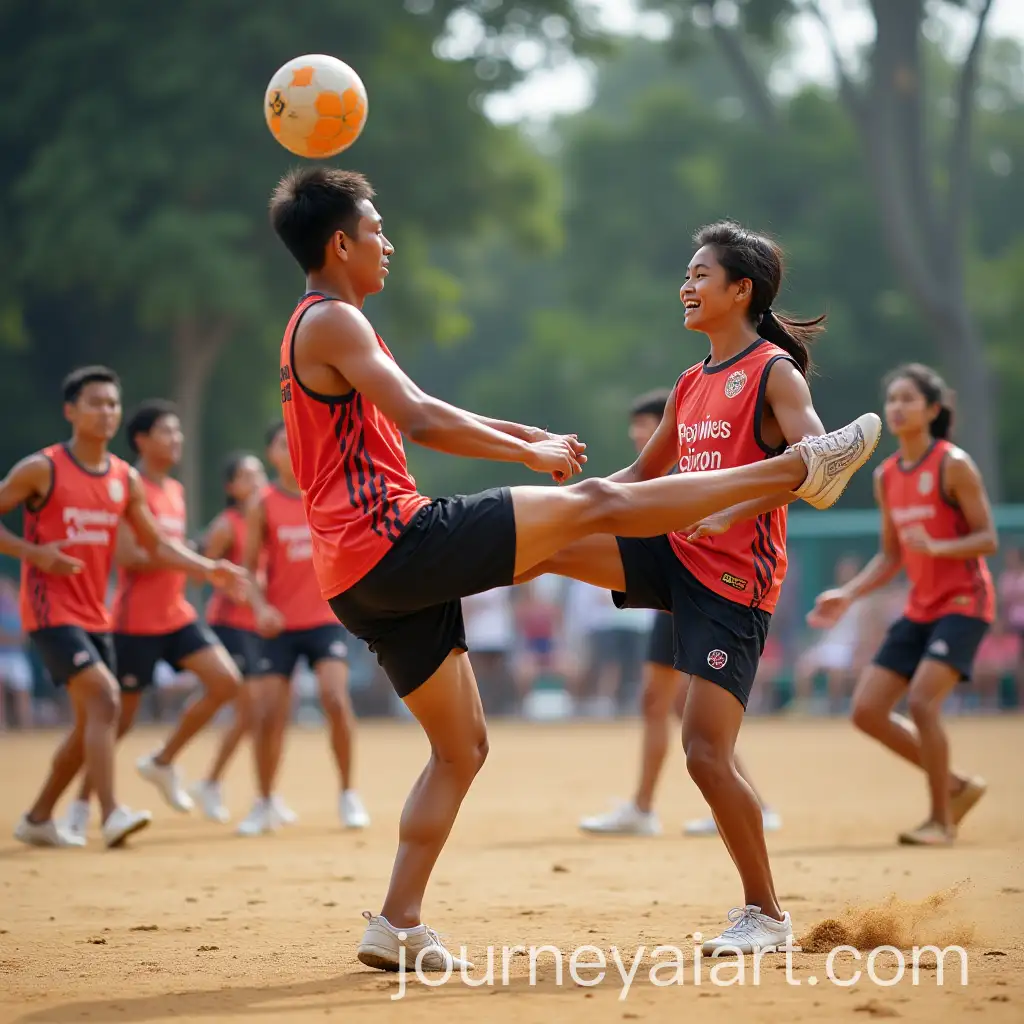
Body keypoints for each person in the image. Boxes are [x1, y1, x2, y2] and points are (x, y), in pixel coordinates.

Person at [268, 166, 879, 970]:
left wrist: (545, 456)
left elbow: (611, 486)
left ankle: (398, 923)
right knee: (583, 517)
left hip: (717, 582)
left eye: (700, 274)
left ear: (744, 291)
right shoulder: (337, 321)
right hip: (405, 539)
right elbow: (427, 417)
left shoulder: (771, 369)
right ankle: (799, 472)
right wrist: (541, 457)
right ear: (340, 241)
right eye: (378, 231)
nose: (390, 243)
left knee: (477, 745)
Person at [0, 366, 246, 848]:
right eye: (95, 402)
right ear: (70, 411)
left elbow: (157, 545)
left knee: (93, 721)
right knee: (107, 700)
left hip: (97, 614)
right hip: (50, 609)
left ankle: (38, 816)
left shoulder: (123, 478)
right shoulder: (42, 469)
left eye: (113, 403)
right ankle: (111, 813)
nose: (106, 412)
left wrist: (208, 569)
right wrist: (35, 554)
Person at [579, 388, 781, 838]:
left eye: (644, 425)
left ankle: (748, 803)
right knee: (660, 700)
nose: (637, 434)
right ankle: (644, 806)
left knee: (694, 715)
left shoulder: (689, 466)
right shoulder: (653, 471)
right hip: (667, 588)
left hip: (701, 584)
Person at [809, 364, 996, 846]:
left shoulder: (953, 464)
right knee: (866, 711)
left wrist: (938, 548)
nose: (896, 408)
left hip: (963, 603)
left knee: (921, 702)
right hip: (920, 607)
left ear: (933, 410)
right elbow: (892, 556)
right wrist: (847, 595)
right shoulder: (886, 475)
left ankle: (941, 820)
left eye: (908, 399)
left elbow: (987, 538)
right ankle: (955, 784)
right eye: (892, 399)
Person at [62, 400, 245, 836]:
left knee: (227, 682)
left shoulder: (176, 491)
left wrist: (198, 564)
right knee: (117, 722)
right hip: (135, 623)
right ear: (141, 439)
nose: (176, 439)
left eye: (179, 432)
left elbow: (168, 550)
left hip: (176, 615)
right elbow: (127, 555)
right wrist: (187, 561)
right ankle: (79, 807)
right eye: (166, 431)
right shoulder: (129, 484)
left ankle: (163, 761)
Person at [235, 420, 369, 836]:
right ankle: (265, 800)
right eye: (281, 444)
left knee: (334, 697)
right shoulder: (263, 503)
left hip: (327, 620)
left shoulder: (328, 495)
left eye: (297, 442)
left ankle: (348, 794)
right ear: (272, 455)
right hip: (279, 624)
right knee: (268, 714)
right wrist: (259, 607)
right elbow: (249, 569)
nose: (291, 450)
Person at [190, 451, 270, 823]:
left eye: (259, 474)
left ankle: (223, 784)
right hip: (230, 624)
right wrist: (230, 584)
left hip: (257, 625)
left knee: (255, 713)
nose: (256, 482)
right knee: (251, 708)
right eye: (247, 476)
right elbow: (202, 569)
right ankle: (207, 779)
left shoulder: (268, 519)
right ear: (231, 487)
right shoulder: (227, 524)